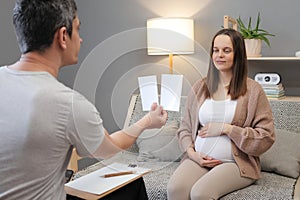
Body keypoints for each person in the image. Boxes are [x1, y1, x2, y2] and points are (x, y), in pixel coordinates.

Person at [0, 0, 168, 200]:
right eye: (78, 30)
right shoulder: (67, 105)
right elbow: (110, 148)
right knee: (134, 186)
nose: (80, 40)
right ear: (63, 36)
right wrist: (148, 120)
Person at [167, 29, 275, 200]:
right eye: (215, 50)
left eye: (226, 50)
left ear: (238, 54)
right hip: (199, 159)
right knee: (175, 189)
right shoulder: (200, 87)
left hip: (235, 163)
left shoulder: (254, 90)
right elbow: (185, 127)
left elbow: (266, 136)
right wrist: (192, 153)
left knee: (200, 193)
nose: (219, 55)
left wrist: (227, 129)